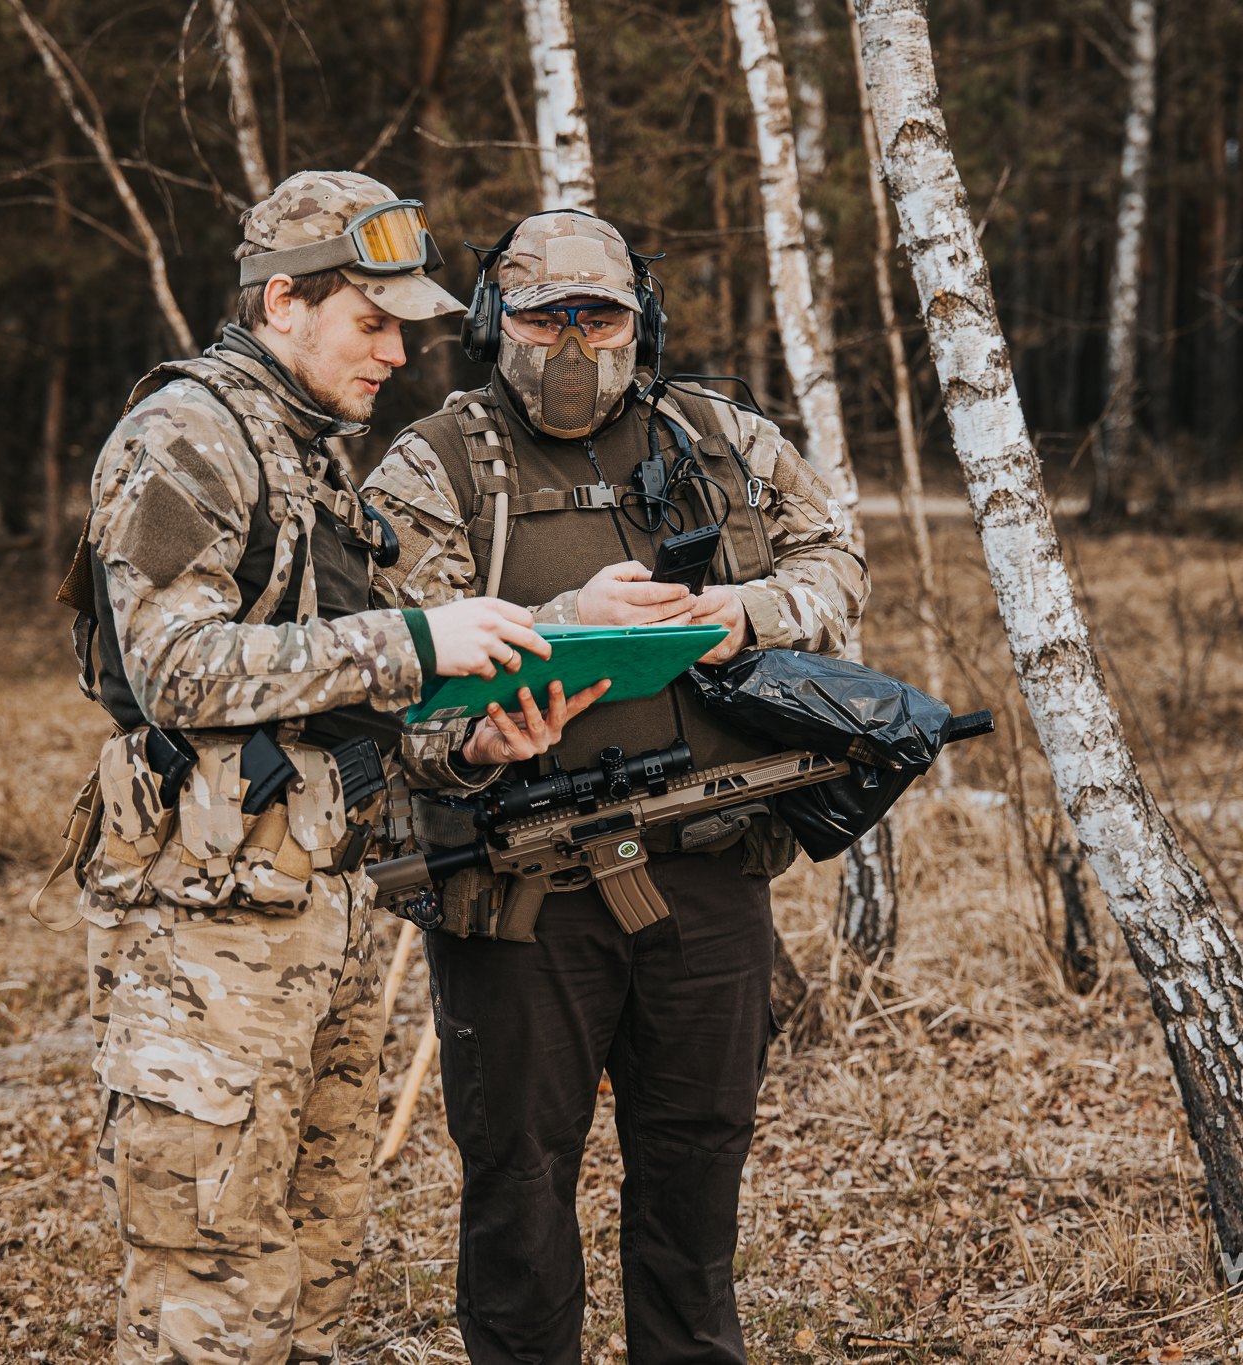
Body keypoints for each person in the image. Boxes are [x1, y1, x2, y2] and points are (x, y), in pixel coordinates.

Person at [55, 172, 601, 1365]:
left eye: (407, 324)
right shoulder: (184, 434)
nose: (400, 351)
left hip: (325, 912)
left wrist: (465, 745)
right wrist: (414, 638)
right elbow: (172, 670)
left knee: (314, 1259)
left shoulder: (309, 453)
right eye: (372, 320)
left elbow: (338, 708)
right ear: (283, 301)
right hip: (207, 936)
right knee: (213, 1274)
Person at [362, 210, 868, 1365]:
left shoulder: (721, 437)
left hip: (710, 871)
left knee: (697, 1163)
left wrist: (747, 611)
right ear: (496, 324)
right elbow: (393, 665)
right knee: (517, 1183)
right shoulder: (432, 465)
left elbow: (837, 560)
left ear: (641, 323)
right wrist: (510, 695)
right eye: (546, 318)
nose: (575, 344)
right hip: (517, 891)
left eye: (601, 316)